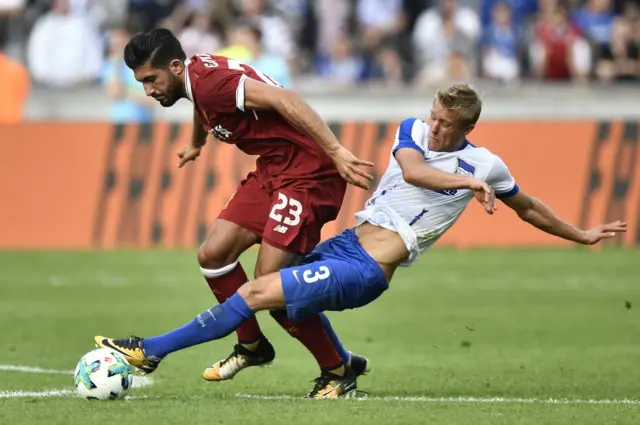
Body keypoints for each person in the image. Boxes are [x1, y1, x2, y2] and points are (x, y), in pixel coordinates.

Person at [95, 84, 627, 398]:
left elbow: (527, 205)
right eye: (434, 117)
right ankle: (340, 369)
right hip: (348, 243)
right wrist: (467, 184)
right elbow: (415, 172)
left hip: (369, 268)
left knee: (260, 293)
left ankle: (150, 352)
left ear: (467, 125)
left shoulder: (487, 164)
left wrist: (579, 233)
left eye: (446, 125)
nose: (435, 128)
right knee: (278, 300)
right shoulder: (413, 133)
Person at [101, 28, 375, 398]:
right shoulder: (195, 78)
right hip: (274, 169)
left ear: (176, 66)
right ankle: (252, 345)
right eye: (142, 82)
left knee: (271, 283)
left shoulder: (212, 82)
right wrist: (197, 143)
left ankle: (336, 368)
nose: (148, 90)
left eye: (151, 79)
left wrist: (337, 150)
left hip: (308, 174)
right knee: (213, 255)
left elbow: (285, 98)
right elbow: (202, 105)